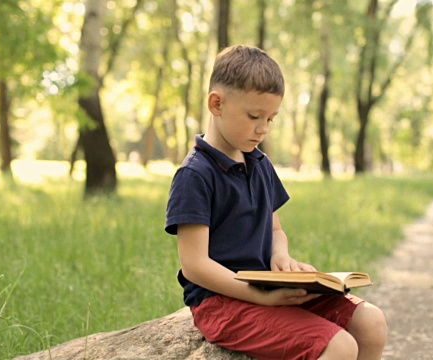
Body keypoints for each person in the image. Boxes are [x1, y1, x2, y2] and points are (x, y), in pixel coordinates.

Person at [165, 45, 387, 360]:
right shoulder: (195, 175)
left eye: (271, 118)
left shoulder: (260, 164)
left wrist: (282, 258)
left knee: (371, 322)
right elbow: (195, 265)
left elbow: (275, 230)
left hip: (266, 287)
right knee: (339, 346)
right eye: (255, 116)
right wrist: (262, 298)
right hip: (221, 303)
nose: (263, 128)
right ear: (217, 103)